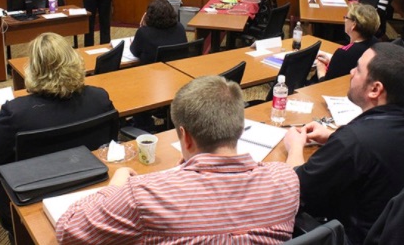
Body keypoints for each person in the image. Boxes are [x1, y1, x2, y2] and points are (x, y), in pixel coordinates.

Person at [56, 76, 300, 244]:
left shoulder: (142, 197)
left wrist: (115, 187)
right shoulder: (286, 180)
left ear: (185, 136)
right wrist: (295, 147)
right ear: (239, 127)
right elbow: (293, 170)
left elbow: (69, 231)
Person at [284, 42, 404, 244]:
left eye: (357, 69)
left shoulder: (353, 142)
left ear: (375, 89)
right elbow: (380, 150)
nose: (350, 72)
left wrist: (294, 147)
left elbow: (294, 188)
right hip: (401, 230)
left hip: (356, 236)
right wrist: (333, 137)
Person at [0, 32, 115, 236]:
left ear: (33, 69)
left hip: (34, 196)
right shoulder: (99, 98)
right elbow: (112, 142)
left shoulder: (15, 113)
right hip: (92, 183)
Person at [314, 3, 379, 82]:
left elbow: (326, 84)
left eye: (346, 17)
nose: (344, 20)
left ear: (353, 25)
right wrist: (333, 62)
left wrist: (320, 68)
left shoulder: (343, 53)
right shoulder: (375, 42)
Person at [130, 0, 188, 64]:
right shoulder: (180, 27)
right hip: (178, 70)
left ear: (149, 16)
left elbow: (134, 52)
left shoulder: (143, 33)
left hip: (151, 72)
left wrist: (142, 27)